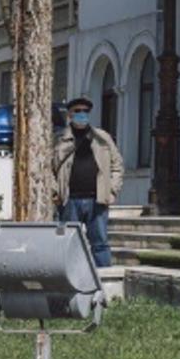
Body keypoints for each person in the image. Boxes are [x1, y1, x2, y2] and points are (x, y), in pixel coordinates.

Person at [52, 96, 124, 269]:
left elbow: (117, 165)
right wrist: (55, 192)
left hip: (97, 200)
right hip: (69, 201)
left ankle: (104, 284)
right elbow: (48, 168)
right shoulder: (59, 139)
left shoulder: (102, 138)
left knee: (100, 243)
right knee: (68, 244)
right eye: (77, 111)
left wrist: (112, 190)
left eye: (85, 111)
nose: (82, 114)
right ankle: (70, 282)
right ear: (69, 114)